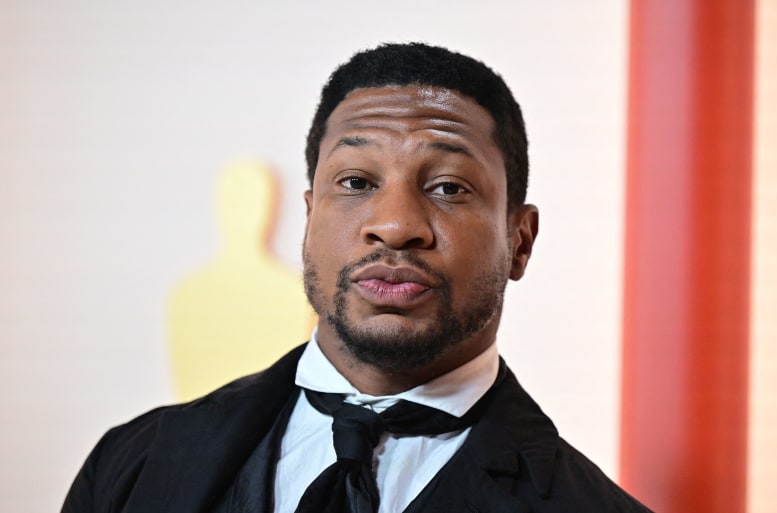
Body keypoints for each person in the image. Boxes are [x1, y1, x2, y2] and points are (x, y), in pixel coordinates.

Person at [62, 42, 653, 513]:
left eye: (448, 187)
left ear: (519, 241)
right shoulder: (132, 464)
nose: (395, 226)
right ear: (310, 213)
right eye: (356, 183)